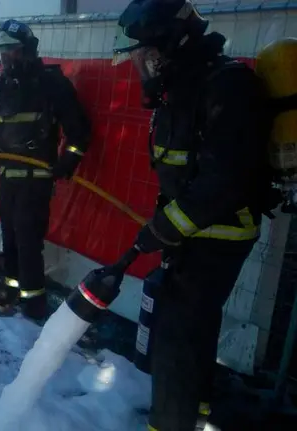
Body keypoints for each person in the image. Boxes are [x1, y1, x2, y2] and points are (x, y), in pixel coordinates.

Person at [112, 1, 273, 429]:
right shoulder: (185, 87)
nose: (140, 65)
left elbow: (223, 182)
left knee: (174, 341)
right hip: (193, 234)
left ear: (173, 42)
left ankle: (169, 423)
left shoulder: (228, 87)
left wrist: (165, 228)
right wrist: (167, 227)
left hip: (218, 236)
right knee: (194, 327)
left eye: (145, 54)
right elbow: (183, 174)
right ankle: (195, 410)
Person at [0, 19, 91, 320]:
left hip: (35, 179)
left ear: (28, 51)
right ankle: (13, 288)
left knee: (29, 242)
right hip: (7, 179)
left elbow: (78, 130)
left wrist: (68, 160)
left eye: (11, 52)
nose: (6, 60)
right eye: (1, 54)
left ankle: (34, 302)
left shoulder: (52, 84)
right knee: (11, 237)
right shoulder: (0, 87)